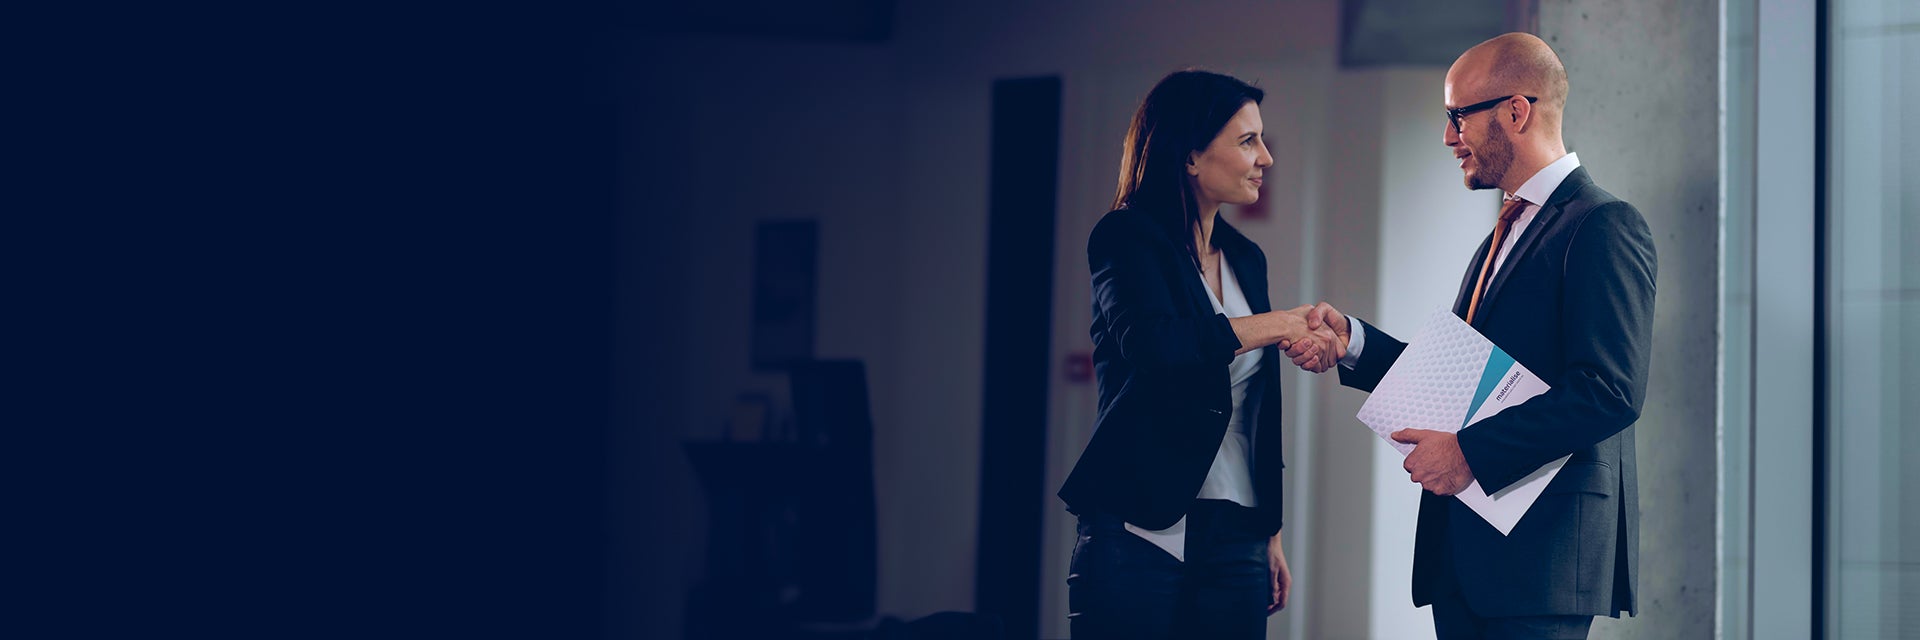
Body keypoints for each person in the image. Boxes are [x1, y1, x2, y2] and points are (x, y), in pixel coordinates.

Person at [1291, 33, 1655, 639]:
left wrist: (1468, 454)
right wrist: (1352, 341)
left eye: (1458, 115)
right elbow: (1461, 379)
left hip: (1541, 557)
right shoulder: (1501, 235)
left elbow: (1609, 391)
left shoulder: (1603, 225)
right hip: (1470, 558)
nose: (1447, 135)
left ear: (1517, 111)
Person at [1057, 69, 1342, 639]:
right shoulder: (1125, 237)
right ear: (1189, 158)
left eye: (1262, 139)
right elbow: (1156, 346)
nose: (1265, 157)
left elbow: (1256, 409)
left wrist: (1270, 531)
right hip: (1139, 523)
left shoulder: (1246, 257)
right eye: (1246, 141)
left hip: (1237, 528)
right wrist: (1278, 324)